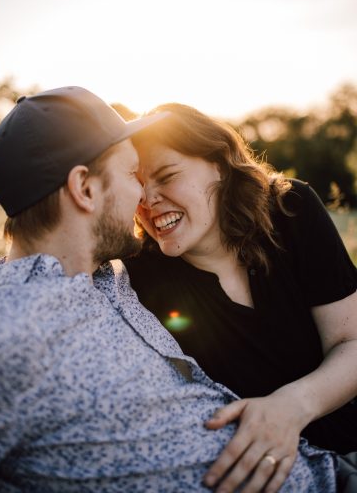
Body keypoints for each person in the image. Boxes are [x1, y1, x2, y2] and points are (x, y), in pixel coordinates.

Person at [0, 87, 338, 493]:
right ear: (85, 189)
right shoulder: (0, 330)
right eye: (133, 175)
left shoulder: (111, 274)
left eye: (162, 177)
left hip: (323, 463)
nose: (142, 200)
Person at [124, 101, 357, 490]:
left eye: (166, 176)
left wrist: (291, 407)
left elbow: (351, 341)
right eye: (137, 186)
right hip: (270, 476)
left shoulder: (290, 210)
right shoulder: (137, 274)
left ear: (218, 162)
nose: (148, 200)